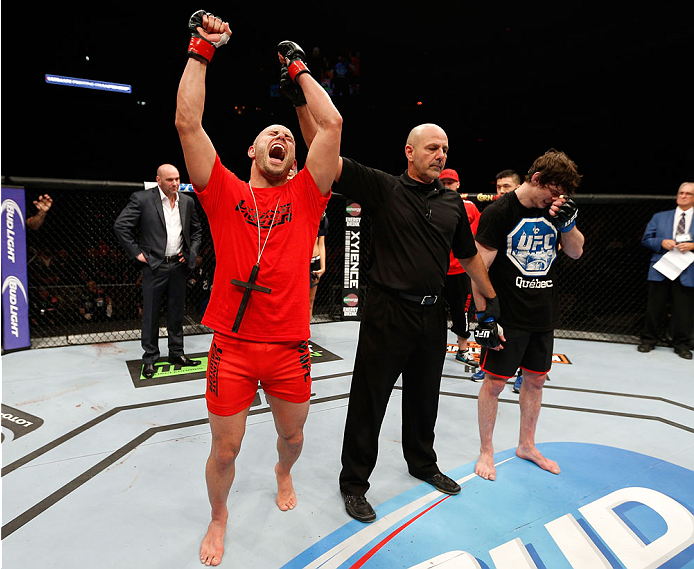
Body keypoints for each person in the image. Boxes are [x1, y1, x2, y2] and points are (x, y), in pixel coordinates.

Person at [175, 11, 342, 566]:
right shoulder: (222, 192)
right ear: (250, 152)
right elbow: (188, 124)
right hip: (234, 347)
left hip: (290, 346)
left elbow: (332, 124)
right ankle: (218, 517)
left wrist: (296, 69)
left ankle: (282, 472)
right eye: (269, 134)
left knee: (291, 439)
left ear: (297, 159)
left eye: (288, 138)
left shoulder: (306, 196)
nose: (280, 136)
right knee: (224, 450)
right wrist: (203, 48)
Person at [287, 97, 501, 520]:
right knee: (370, 400)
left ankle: (422, 462)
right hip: (387, 311)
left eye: (444, 149)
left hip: (432, 313)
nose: (440, 155)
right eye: (431, 148)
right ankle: (353, 484)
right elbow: (324, 153)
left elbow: (468, 255)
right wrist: (300, 103)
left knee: (425, 396)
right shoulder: (383, 187)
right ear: (409, 151)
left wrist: (490, 297)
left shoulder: (452, 204)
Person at [472, 149, 585, 482]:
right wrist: (485, 318)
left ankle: (527, 445)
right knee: (494, 384)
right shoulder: (499, 213)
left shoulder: (556, 210)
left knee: (535, 381)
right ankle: (486, 450)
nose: (554, 201)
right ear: (536, 179)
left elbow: (576, 251)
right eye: (552, 192)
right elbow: (479, 270)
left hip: (543, 315)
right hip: (508, 317)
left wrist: (568, 225)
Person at [114, 163, 202, 379]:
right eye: (170, 180)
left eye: (177, 179)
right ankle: (150, 358)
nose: (175, 183)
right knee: (151, 313)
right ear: (159, 180)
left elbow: (197, 230)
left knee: (176, 311)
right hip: (154, 265)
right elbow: (121, 226)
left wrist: (190, 253)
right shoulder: (143, 199)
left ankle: (176, 353)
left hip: (178, 266)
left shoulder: (187, 202)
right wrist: (137, 253)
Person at [637, 182, 694, 359]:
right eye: (681, 192)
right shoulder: (660, 217)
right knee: (655, 306)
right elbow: (646, 239)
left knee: (683, 309)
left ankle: (682, 344)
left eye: (687, 194)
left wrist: (693, 245)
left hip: (687, 269)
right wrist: (661, 242)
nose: (683, 196)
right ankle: (648, 340)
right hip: (662, 267)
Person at [439, 168, 481, 368]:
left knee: (461, 312)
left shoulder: (470, 207)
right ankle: (429, 350)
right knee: (430, 312)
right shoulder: (431, 203)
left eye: (450, 183)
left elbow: (475, 238)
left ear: (458, 184)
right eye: (443, 183)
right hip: (436, 269)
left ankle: (463, 350)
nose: (447, 186)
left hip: (460, 270)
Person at [309, 210, 328, 321]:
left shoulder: (323, 220)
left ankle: (306, 333)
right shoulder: (305, 217)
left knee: (310, 300)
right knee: (298, 300)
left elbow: (321, 244)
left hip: (315, 262)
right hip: (303, 263)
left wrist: (323, 267)